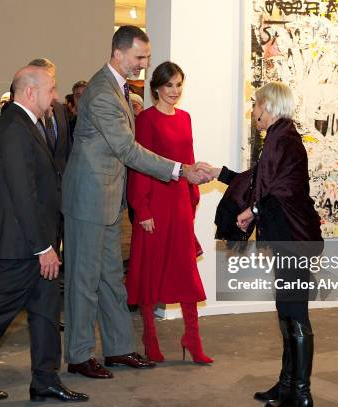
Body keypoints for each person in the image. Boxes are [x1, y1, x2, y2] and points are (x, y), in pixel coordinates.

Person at [61, 25, 211, 380]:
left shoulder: (119, 89)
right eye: (139, 57)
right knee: (85, 280)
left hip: (108, 201)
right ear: (119, 53)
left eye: (146, 57)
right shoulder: (101, 92)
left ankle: (118, 349)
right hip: (88, 202)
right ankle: (80, 355)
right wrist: (180, 170)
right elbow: (128, 150)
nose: (144, 63)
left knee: (112, 278)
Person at [0, 65, 88, 402]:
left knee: (44, 310)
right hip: (21, 243)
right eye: (51, 89)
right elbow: (21, 193)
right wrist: (43, 246)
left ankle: (45, 379)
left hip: (32, 239)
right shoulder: (14, 126)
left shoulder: (26, 122)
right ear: (31, 91)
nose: (56, 96)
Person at [211, 82, 322, 406]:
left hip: (294, 239)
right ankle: (287, 385)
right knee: (286, 312)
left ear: (269, 106)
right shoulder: (279, 137)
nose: (254, 111)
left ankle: (301, 394)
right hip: (288, 237)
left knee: (294, 312)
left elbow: (284, 191)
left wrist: (253, 210)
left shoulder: (283, 139)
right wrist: (222, 173)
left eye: (257, 105)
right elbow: (259, 180)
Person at [126, 61, 211, 364]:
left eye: (178, 85)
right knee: (151, 270)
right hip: (155, 204)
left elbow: (187, 161)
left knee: (184, 268)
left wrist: (193, 196)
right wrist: (143, 208)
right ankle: (150, 337)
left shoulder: (185, 118)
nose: (174, 91)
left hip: (179, 203)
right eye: (169, 85)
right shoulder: (146, 120)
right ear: (156, 89)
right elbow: (139, 166)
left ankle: (192, 337)